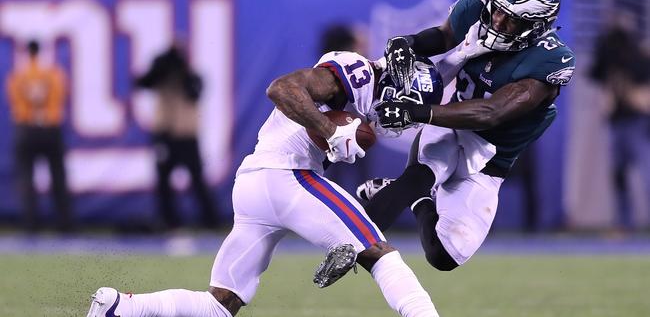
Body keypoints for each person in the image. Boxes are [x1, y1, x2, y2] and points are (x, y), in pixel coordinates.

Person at [86, 51, 442, 317]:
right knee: (380, 255)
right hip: (287, 175)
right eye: (407, 104)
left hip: (257, 183)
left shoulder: (371, 108)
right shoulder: (356, 73)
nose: (403, 117)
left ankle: (118, 306)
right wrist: (330, 129)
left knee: (219, 305)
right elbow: (281, 89)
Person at [356, 0, 576, 271]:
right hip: (452, 125)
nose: (497, 21)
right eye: (497, 10)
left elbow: (491, 113)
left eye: (511, 19)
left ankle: (418, 198)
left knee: (442, 256)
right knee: (417, 176)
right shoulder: (477, 8)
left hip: (491, 158)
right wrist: (408, 42)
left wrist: (416, 112)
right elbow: (445, 36)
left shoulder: (550, 60)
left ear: (536, 27)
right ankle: (350, 242)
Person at [134, 42, 218, 230]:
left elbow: (194, 93)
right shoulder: (160, 77)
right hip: (164, 134)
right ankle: (169, 221)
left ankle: (210, 221)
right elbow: (141, 83)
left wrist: (183, 70)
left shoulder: (192, 76)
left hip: (186, 135)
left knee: (197, 180)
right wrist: (160, 66)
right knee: (163, 181)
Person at [589, 16, 650, 230]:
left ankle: (628, 224)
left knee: (646, 174)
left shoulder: (639, 61)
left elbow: (644, 101)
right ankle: (624, 224)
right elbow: (601, 86)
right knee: (618, 176)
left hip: (639, 124)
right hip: (617, 124)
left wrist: (625, 90)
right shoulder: (608, 60)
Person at [5, 40, 72, 233]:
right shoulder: (53, 73)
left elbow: (15, 101)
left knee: (27, 178)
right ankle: (64, 224)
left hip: (27, 128)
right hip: (50, 127)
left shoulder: (19, 75)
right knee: (58, 177)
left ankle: (31, 225)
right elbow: (60, 96)